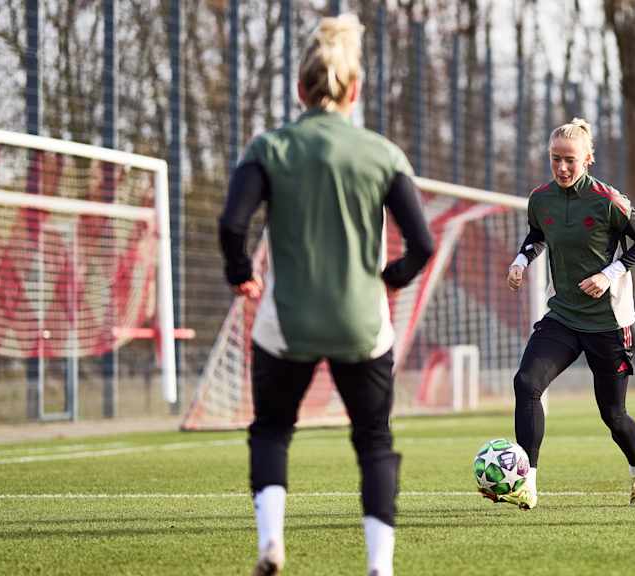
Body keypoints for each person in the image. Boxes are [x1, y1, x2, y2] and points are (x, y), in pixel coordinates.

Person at [218, 15, 434, 576]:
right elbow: (423, 243)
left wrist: (240, 270)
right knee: (374, 440)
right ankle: (380, 566)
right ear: (355, 90)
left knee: (271, 430)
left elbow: (231, 223)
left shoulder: (270, 147)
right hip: (361, 320)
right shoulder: (381, 153)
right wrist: (390, 279)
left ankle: (271, 544)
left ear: (299, 90)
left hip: (286, 320)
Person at [495, 117, 635, 510]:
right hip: (563, 317)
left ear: (588, 159)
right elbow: (537, 235)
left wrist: (609, 273)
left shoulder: (609, 200)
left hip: (609, 323)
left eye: (570, 160)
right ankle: (527, 482)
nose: (562, 168)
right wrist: (520, 260)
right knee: (526, 382)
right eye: (555, 160)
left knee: (614, 415)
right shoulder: (541, 199)